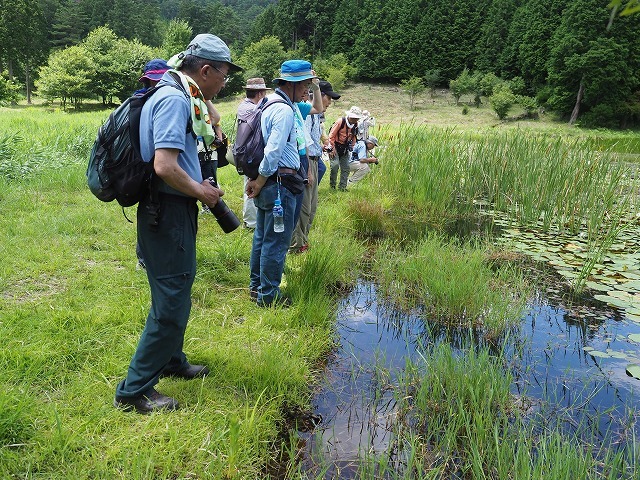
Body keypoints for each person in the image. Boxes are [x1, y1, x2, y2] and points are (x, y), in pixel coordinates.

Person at [114, 34, 242, 414]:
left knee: (178, 287)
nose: (224, 83)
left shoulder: (183, 94)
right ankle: (133, 390)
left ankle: (171, 359)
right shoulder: (172, 99)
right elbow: (165, 166)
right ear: (205, 70)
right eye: (223, 75)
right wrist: (203, 194)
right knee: (170, 300)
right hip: (165, 212)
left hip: (171, 210)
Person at [246, 60, 317, 307]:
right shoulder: (285, 110)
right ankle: (268, 297)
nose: (308, 90)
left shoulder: (269, 104)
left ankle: (256, 287)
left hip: (271, 184)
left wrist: (258, 181)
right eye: (306, 84)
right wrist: (261, 179)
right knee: (276, 242)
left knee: (262, 238)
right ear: (292, 84)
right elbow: (273, 150)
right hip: (279, 185)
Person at [290, 80, 340, 253]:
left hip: (315, 159)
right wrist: (307, 171)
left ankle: (303, 240)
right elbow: (302, 142)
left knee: (312, 208)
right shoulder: (305, 111)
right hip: (306, 160)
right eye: (329, 99)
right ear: (321, 96)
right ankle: (296, 246)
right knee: (303, 208)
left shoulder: (317, 115)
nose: (329, 103)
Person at [238, 78, 271, 229]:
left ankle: (251, 221)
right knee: (251, 186)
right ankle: (251, 223)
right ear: (260, 93)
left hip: (247, 152)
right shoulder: (251, 109)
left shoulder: (245, 106)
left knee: (250, 185)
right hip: (250, 153)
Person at [328, 106, 363, 191]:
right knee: (335, 166)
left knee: (346, 167)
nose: (355, 120)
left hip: (345, 148)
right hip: (335, 146)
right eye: (354, 117)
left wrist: (352, 146)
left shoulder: (355, 125)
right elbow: (331, 136)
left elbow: (354, 137)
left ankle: (342, 187)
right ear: (350, 116)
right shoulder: (340, 122)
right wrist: (332, 149)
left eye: (357, 118)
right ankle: (332, 186)